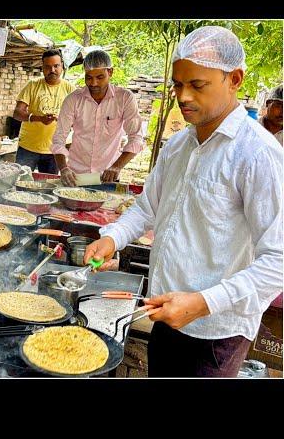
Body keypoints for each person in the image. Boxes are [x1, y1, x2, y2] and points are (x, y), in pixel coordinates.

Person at [83, 26, 283, 377]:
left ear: (234, 79)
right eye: (178, 84)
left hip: (216, 332)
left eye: (197, 85)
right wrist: (112, 237)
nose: (183, 97)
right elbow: (148, 208)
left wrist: (203, 302)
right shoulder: (178, 146)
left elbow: (278, 261)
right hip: (165, 311)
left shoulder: (257, 154)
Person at [51, 49, 145, 185]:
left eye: (100, 77)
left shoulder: (124, 98)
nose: (93, 83)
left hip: (108, 176)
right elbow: (59, 139)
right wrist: (64, 169)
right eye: (88, 77)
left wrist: (117, 166)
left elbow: (136, 138)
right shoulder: (73, 100)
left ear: (110, 72)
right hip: (76, 176)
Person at [12, 49, 73, 173]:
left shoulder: (69, 89)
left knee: (49, 185)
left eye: (56, 66)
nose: (52, 70)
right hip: (28, 148)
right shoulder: (33, 85)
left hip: (55, 151)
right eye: (48, 67)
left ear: (62, 66)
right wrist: (39, 118)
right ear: (42, 68)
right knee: (20, 183)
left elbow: (79, 117)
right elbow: (17, 113)